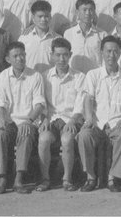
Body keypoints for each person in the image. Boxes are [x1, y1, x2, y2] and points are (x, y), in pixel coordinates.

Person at [78, 35, 121, 192]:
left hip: (118, 123)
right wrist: (89, 119)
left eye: (115, 51)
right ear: (101, 52)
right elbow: (88, 99)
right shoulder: (93, 74)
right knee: (84, 135)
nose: (112, 55)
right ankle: (91, 177)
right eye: (108, 51)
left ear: (120, 53)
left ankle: (113, 177)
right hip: (97, 123)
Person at [0, 41, 45, 194]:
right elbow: (0, 103)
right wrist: (1, 120)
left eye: (22, 55)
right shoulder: (3, 76)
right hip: (9, 121)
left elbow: (39, 105)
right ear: (8, 59)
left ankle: (18, 179)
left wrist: (28, 121)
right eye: (15, 56)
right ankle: (2, 179)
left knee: (25, 134)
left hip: (28, 121)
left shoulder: (35, 76)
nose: (20, 58)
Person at [36, 38, 86, 192]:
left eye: (65, 55)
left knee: (67, 139)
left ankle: (67, 179)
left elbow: (80, 103)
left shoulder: (79, 77)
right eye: (58, 55)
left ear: (70, 55)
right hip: (51, 119)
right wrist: (44, 118)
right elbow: (41, 101)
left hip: (71, 119)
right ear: (52, 55)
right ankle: (45, 179)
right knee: (43, 139)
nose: (61, 59)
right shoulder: (44, 76)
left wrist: (73, 121)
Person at [63, 0, 105, 73]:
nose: (88, 13)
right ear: (77, 12)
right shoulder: (68, 33)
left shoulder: (102, 34)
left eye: (91, 10)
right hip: (74, 76)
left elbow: (104, 58)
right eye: (84, 10)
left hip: (94, 76)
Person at [18, 0, 60, 73]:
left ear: (50, 17)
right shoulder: (24, 38)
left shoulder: (58, 39)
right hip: (29, 78)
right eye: (40, 16)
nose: (43, 19)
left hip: (50, 79)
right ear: (33, 17)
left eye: (46, 16)